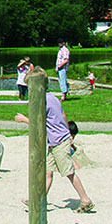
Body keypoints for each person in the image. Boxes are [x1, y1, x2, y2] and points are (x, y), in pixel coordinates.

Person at [14, 79, 94, 214]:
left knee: (69, 173)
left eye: (29, 87)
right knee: (48, 172)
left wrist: (24, 120)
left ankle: (85, 200)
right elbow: (63, 115)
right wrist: (67, 133)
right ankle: (38, 200)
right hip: (56, 141)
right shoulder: (53, 97)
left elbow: (38, 123)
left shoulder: (43, 102)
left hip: (59, 142)